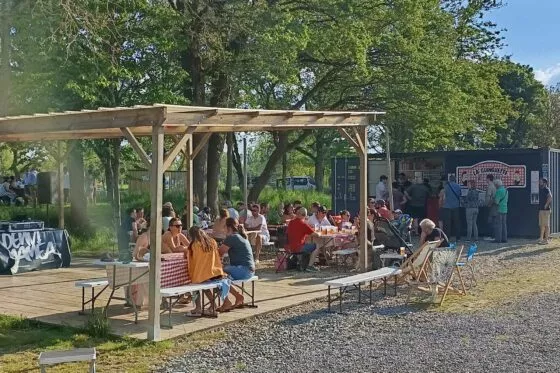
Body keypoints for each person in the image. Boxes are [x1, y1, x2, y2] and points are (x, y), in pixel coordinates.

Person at [186, 226, 229, 315]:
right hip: (216, 272)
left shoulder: (194, 245)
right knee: (204, 285)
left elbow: (191, 262)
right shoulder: (212, 242)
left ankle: (198, 307)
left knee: (195, 284)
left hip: (204, 274)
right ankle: (213, 305)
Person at [218, 218, 255, 310]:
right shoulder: (241, 236)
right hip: (249, 270)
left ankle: (230, 300)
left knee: (217, 274)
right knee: (222, 274)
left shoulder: (232, 237)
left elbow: (219, 253)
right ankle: (237, 297)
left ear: (228, 227)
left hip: (242, 270)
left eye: (224, 226)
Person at [286, 207, 320, 271]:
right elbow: (316, 235)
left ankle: (303, 263)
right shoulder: (303, 224)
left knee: (308, 242)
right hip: (298, 248)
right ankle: (310, 266)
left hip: (289, 247)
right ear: (304, 215)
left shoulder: (291, 222)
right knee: (317, 246)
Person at [443, 175, 461, 242]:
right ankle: (458, 237)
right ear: (455, 179)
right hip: (456, 206)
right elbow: (459, 195)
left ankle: (447, 237)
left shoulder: (446, 186)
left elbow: (444, 197)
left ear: (449, 179)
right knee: (457, 222)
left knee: (447, 223)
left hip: (447, 206)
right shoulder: (458, 186)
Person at [538, 177, 553, 244]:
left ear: (544, 183)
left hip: (545, 211)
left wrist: (546, 205)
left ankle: (546, 240)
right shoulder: (542, 189)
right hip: (541, 210)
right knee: (542, 225)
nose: (539, 182)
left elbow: (550, 197)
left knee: (546, 225)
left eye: (541, 181)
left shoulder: (547, 189)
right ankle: (541, 239)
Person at [493, 179, 508, 243]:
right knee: (504, 224)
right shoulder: (506, 191)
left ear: (497, 185)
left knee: (498, 225)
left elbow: (496, 202)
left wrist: (493, 199)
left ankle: (498, 239)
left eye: (495, 185)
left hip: (499, 209)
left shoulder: (498, 191)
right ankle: (504, 239)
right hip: (505, 209)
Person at [485, 174, 497, 239]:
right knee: (493, 221)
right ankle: (493, 236)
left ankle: (491, 236)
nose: (485, 180)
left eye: (486, 178)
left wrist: (487, 204)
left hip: (491, 206)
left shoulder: (490, 186)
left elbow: (488, 197)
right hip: (494, 206)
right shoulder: (494, 186)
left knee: (490, 221)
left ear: (489, 179)